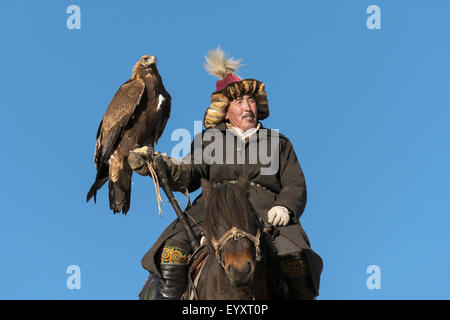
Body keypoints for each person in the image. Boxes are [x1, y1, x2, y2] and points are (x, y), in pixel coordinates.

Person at [128, 47, 323, 300]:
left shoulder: (278, 142)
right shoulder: (209, 139)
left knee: (298, 264)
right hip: (213, 211)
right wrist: (160, 164)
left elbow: (295, 184)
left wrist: (285, 207)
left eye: (251, 100)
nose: (247, 107)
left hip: (267, 214)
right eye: (239, 102)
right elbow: (190, 171)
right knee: (170, 255)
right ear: (225, 109)